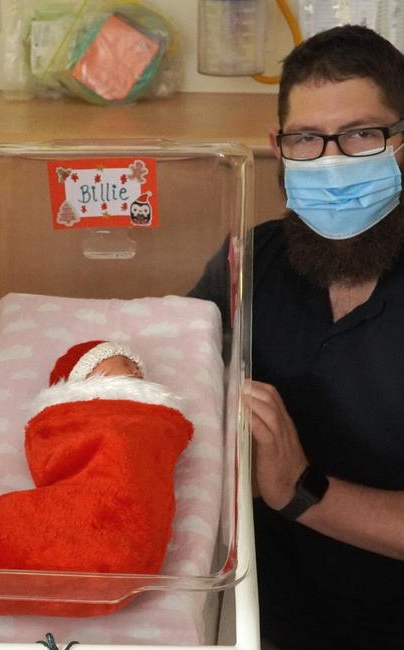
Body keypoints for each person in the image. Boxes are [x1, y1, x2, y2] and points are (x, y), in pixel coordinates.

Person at [191, 25, 404, 650]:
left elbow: (289, 487)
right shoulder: (252, 259)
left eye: (363, 134)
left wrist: (302, 490)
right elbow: (176, 368)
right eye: (307, 138)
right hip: (258, 606)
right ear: (277, 148)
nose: (331, 161)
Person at [0, 340, 194, 617]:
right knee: (20, 524)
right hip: (109, 532)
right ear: (83, 379)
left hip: (130, 526)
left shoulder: (157, 421)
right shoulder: (70, 416)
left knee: (23, 535)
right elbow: (50, 461)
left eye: (136, 366)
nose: (134, 369)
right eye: (120, 362)